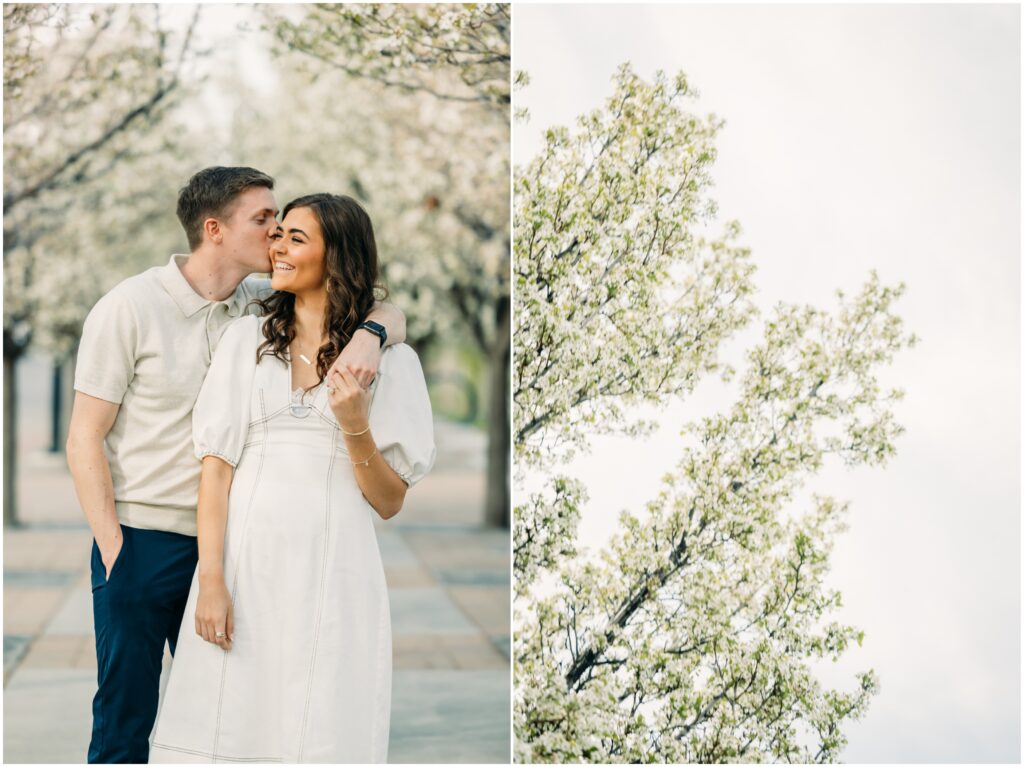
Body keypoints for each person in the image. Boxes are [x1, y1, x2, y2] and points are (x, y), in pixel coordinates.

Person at [66, 168, 407, 764]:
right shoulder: (129, 307)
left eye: (283, 223)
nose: (276, 233)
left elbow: (378, 304)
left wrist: (374, 334)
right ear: (214, 229)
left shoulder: (259, 305)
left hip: (230, 547)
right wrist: (114, 548)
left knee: (226, 720)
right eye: (263, 220)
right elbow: (83, 438)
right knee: (125, 716)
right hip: (144, 541)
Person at [147, 193, 435, 763]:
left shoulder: (392, 365)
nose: (277, 246)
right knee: (227, 724)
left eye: (296, 238)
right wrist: (211, 582)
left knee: (320, 722)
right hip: (244, 571)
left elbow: (389, 500)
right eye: (277, 234)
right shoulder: (245, 345)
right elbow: (216, 472)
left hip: (336, 577)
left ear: (340, 257)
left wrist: (355, 425)